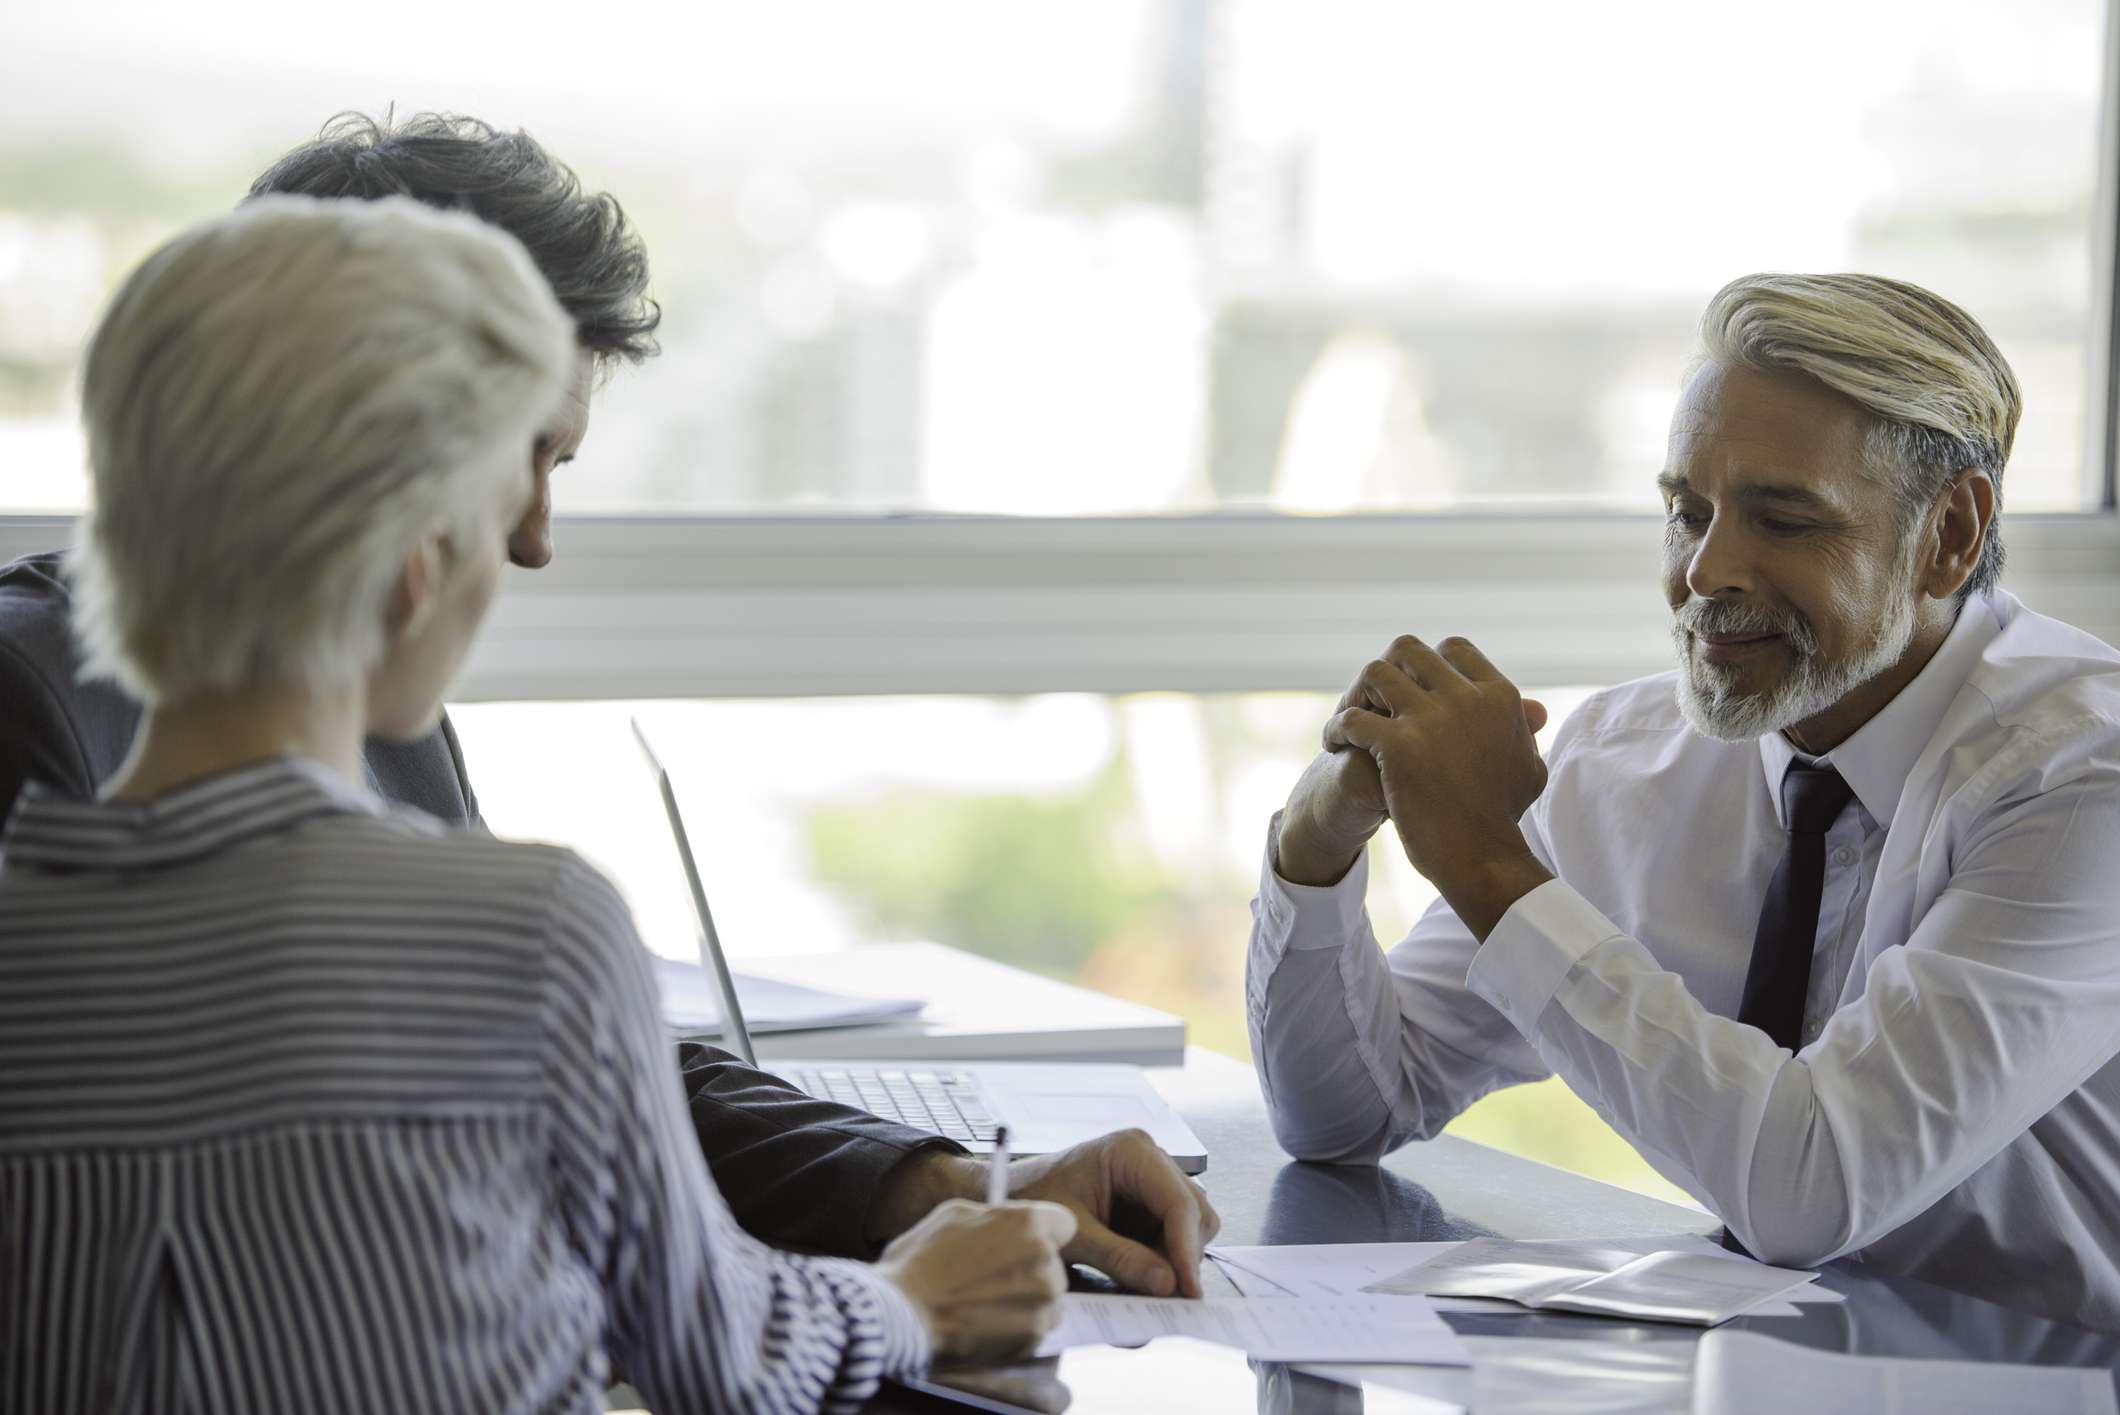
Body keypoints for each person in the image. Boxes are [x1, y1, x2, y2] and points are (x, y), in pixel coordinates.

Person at [0, 111, 1218, 1298]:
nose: (532, 540)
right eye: (520, 456)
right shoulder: (32, 702)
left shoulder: (367, 704)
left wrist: (945, 1182)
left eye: (559, 464)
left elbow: (555, 1059)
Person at [1248, 272, 2120, 1332]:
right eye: (1685, 511)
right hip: (1760, 1368)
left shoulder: (2079, 778)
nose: (1704, 570)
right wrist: (1316, 839)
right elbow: (1349, 1108)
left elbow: (1810, 1183)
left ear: (1947, 533)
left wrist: (1487, 863)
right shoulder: (1625, 761)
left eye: (1782, 520)